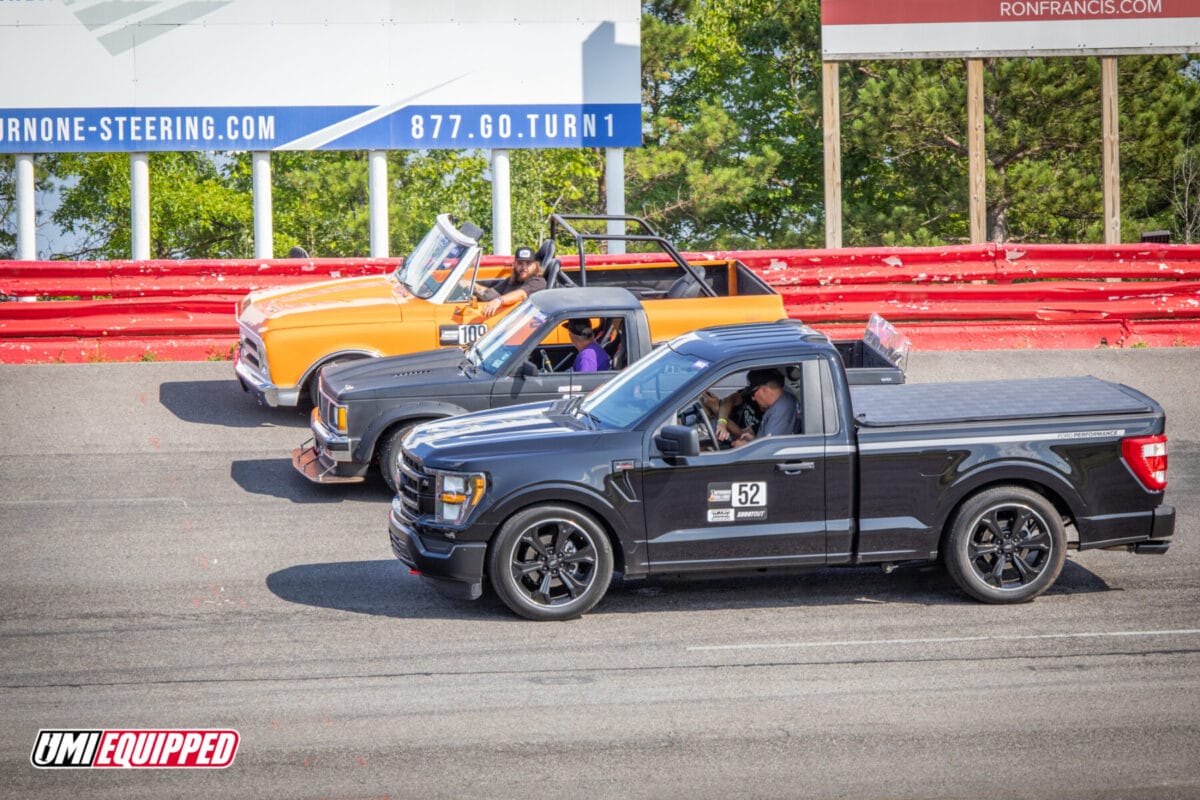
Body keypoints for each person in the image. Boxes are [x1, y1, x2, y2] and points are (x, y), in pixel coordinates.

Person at [723, 368, 796, 448]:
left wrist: (745, 446)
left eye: (753, 394)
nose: (753, 398)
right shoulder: (780, 402)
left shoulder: (781, 411)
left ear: (763, 390)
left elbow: (770, 450)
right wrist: (754, 440)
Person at [472, 245, 547, 318]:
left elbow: (521, 295)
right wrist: (472, 287)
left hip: (522, 322)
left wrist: (498, 301)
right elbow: (492, 294)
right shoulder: (513, 279)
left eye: (528, 264)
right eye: (520, 263)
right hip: (503, 319)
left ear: (535, 265)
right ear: (515, 264)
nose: (524, 267)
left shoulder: (538, 282)